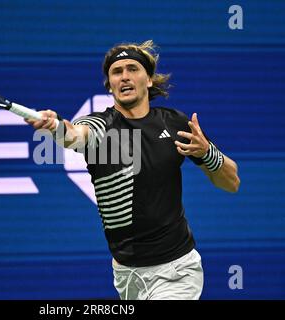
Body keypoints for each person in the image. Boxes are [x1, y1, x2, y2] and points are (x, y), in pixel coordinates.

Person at [25, 40, 240, 300]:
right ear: (110, 84)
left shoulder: (175, 124)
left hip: (177, 270)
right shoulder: (100, 126)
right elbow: (75, 134)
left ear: (148, 79)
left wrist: (207, 153)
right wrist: (55, 126)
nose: (124, 76)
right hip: (127, 275)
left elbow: (231, 181)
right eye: (117, 72)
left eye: (132, 69)